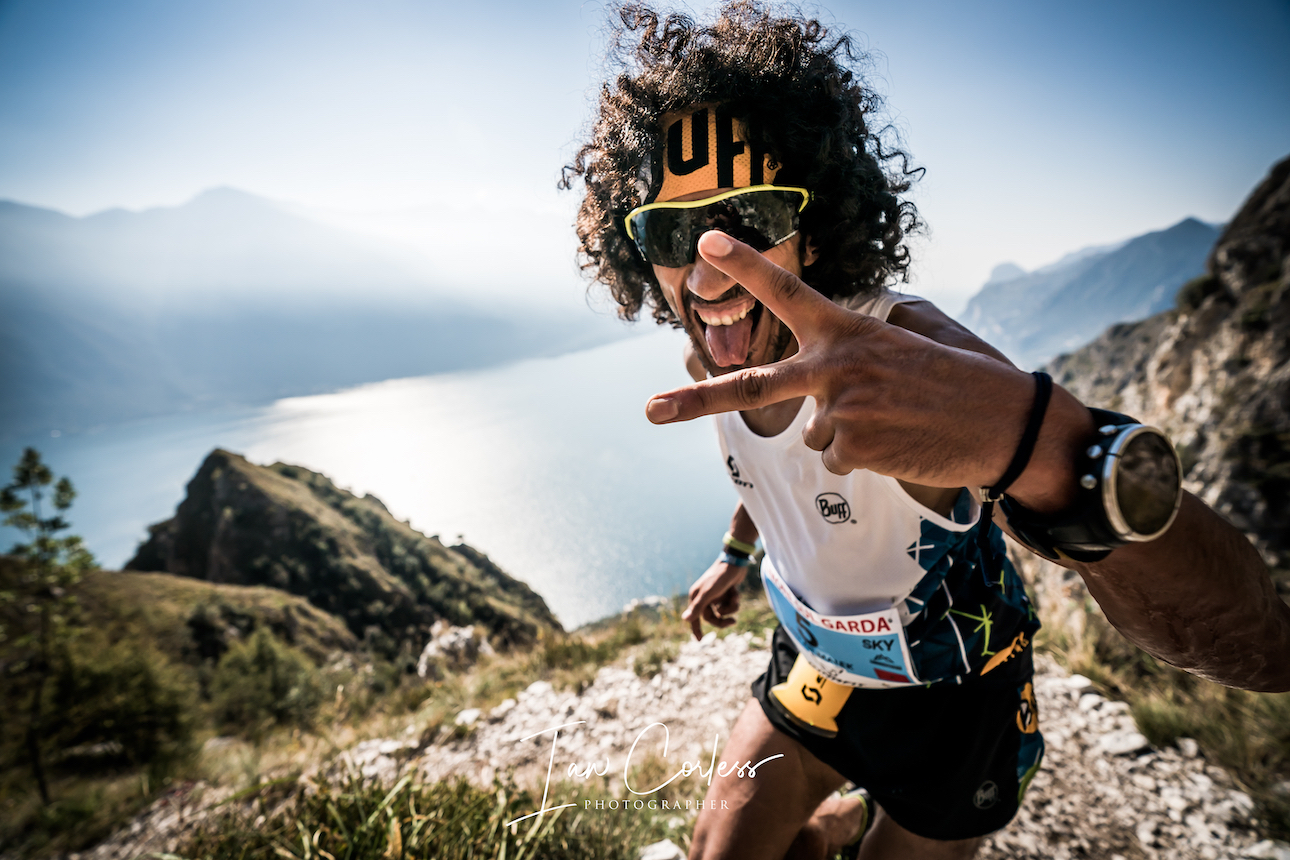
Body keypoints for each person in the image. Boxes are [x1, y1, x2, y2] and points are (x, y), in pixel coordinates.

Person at [563, 4, 1290, 858]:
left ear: (813, 229)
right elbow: (770, 474)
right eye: (669, 231)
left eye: (751, 221)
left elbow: (1259, 648)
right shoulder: (711, 361)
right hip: (815, 661)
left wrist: (1034, 442)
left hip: (955, 692)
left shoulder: (904, 347)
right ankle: (843, 816)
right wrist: (736, 554)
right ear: (638, 248)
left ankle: (857, 815)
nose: (708, 271)